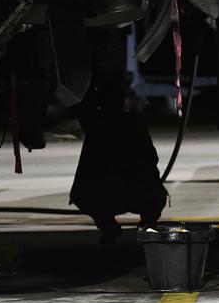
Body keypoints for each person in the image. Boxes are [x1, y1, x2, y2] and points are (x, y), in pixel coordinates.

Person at [69, 77, 167, 243]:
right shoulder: (133, 123)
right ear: (122, 101)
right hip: (135, 192)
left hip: (106, 194)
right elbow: (152, 157)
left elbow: (81, 107)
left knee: (82, 194)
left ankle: (110, 228)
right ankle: (146, 226)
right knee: (157, 195)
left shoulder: (95, 124)